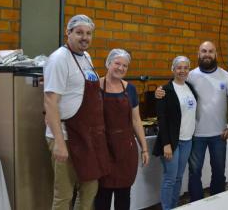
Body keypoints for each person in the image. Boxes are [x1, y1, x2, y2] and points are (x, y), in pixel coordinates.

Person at [156, 41, 228, 202]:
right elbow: (175, 87)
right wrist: (160, 91)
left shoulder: (225, 76)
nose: (207, 54)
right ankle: (196, 204)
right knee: (194, 173)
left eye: (211, 51)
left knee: (219, 172)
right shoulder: (191, 75)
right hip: (195, 136)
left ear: (215, 54)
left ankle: (217, 204)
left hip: (219, 135)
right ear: (198, 54)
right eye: (204, 51)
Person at [44, 14, 111, 210]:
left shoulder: (87, 57)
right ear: (68, 33)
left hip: (86, 137)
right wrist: (58, 143)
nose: (85, 37)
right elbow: (50, 101)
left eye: (89, 33)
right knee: (64, 195)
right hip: (65, 136)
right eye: (79, 32)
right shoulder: (59, 59)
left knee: (90, 188)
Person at [94, 49, 150, 210]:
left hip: (126, 149)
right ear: (108, 63)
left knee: (124, 194)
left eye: (125, 66)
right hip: (103, 149)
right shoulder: (96, 86)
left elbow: (136, 120)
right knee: (102, 195)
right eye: (117, 63)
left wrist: (144, 148)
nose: (121, 68)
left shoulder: (130, 89)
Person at [153, 56, 198, 210]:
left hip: (187, 140)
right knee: (170, 178)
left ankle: (174, 206)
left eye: (186, 68)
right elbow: (162, 119)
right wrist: (166, 144)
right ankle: (166, 207)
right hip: (172, 142)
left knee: (179, 177)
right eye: (179, 67)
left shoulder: (190, 88)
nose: (182, 71)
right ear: (173, 69)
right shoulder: (165, 90)